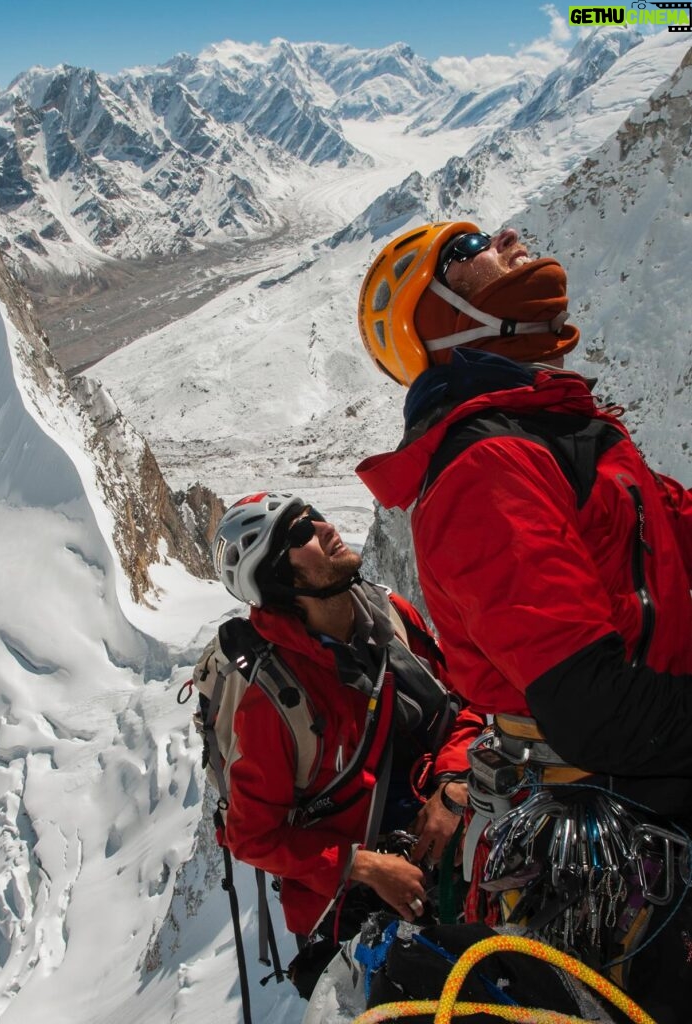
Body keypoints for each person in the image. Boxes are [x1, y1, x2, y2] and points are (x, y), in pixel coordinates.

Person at [354, 221, 692, 1020]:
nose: (504, 237)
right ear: (437, 322)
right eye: (464, 252)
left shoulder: (566, 436)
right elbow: (592, 706)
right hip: (619, 841)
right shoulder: (486, 468)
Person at [205, 491, 484, 953]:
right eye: (300, 533)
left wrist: (453, 783)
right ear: (278, 579)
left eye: (314, 515)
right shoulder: (272, 700)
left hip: (456, 834)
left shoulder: (390, 615)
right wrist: (366, 867)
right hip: (359, 904)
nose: (324, 527)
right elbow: (252, 836)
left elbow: (467, 700)